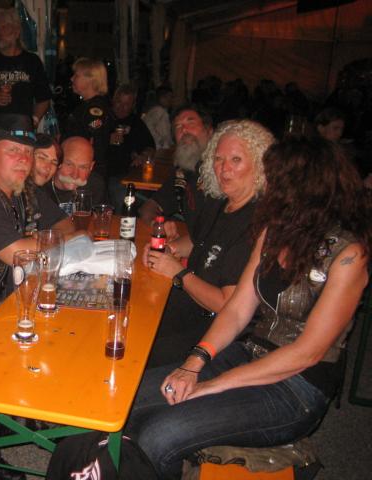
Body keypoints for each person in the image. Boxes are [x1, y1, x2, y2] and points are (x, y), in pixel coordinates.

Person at [127, 136, 371, 479]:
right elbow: (238, 310)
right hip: (250, 354)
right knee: (133, 401)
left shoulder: (348, 255)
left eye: (276, 180)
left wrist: (211, 386)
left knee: (159, 435)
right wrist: (193, 363)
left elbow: (307, 352)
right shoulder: (274, 232)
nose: (267, 186)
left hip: (298, 387)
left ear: (310, 188)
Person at [143, 120, 274, 367]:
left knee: (139, 353)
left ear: (259, 165)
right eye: (218, 159)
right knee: (129, 316)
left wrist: (178, 272)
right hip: (187, 305)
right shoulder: (220, 202)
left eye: (236, 160)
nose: (224, 168)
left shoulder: (257, 223)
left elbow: (228, 305)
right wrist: (168, 250)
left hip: (214, 330)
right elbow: (199, 242)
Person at [0, 118, 75, 316]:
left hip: (20, 300)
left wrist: (41, 241)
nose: (24, 159)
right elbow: (16, 254)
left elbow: (65, 223)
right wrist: (61, 238)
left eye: (28, 152)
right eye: (13, 150)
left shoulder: (25, 190)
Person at [139, 105, 213, 232]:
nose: (184, 130)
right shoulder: (182, 171)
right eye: (178, 127)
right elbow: (149, 207)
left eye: (191, 123)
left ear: (209, 131)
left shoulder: (222, 169)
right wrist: (158, 226)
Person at [106, 84, 155, 211]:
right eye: (119, 102)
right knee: (121, 192)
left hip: (129, 173)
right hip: (105, 172)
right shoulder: (104, 118)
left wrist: (143, 156)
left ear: (133, 105)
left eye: (126, 104)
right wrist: (106, 139)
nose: (121, 107)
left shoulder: (135, 122)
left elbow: (150, 146)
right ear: (113, 101)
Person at [64, 57, 115, 178]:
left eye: (76, 75)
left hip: (85, 172)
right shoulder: (86, 106)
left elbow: (96, 144)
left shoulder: (95, 109)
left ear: (90, 80)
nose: (72, 78)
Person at [42, 136, 108, 215]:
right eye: (69, 164)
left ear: (91, 167)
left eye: (83, 167)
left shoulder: (95, 185)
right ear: (58, 161)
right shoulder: (41, 184)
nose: (75, 175)